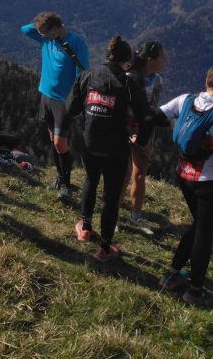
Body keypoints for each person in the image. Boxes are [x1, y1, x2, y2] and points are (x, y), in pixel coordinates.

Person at [58, 36, 168, 262]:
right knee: (110, 195)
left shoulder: (87, 75)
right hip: (116, 147)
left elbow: (70, 108)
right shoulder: (128, 84)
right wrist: (158, 127)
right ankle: (105, 247)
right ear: (127, 60)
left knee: (90, 181)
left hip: (89, 141)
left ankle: (85, 227)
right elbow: (144, 115)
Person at [157, 63, 213, 308]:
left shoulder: (185, 101)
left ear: (207, 81)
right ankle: (195, 290)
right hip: (211, 184)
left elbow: (157, 116)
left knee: (199, 226)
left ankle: (172, 274)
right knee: (204, 235)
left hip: (184, 177)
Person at [21, 11, 89, 201]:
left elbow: (83, 74)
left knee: (60, 143)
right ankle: (60, 178)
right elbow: (25, 29)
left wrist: (78, 103)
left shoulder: (75, 42)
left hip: (63, 100)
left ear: (57, 28)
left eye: (45, 32)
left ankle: (66, 186)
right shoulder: (47, 39)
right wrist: (41, 23)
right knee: (53, 139)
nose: (41, 36)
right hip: (46, 96)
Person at [119, 41, 167, 235]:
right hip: (125, 128)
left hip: (145, 130)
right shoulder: (129, 77)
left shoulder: (157, 81)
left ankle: (136, 216)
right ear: (150, 60)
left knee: (140, 173)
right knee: (123, 174)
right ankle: (113, 214)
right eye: (162, 57)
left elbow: (153, 107)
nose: (165, 61)